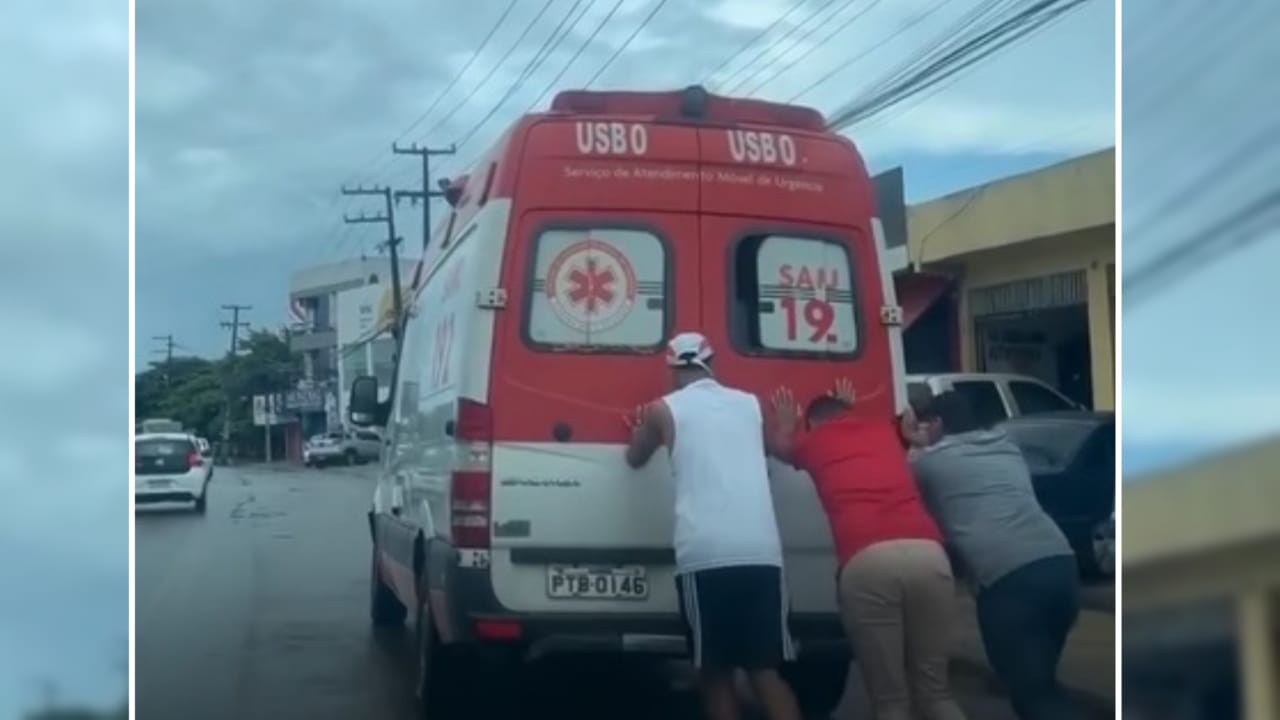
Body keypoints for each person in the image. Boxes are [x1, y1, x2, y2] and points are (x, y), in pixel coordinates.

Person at [624, 331, 801, 720]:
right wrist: (785, 426)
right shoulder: (750, 404)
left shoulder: (661, 409)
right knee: (764, 671)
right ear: (712, 362)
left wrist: (638, 427)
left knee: (716, 674)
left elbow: (634, 458)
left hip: (705, 556)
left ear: (671, 368)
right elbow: (778, 450)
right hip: (762, 554)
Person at [768, 379, 966, 720]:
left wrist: (786, 424)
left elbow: (780, 448)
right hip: (929, 555)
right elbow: (891, 428)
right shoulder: (885, 433)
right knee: (935, 692)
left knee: (891, 700)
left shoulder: (814, 442)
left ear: (813, 424)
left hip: (868, 562)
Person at [911, 390, 1080, 720]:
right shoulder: (1007, 449)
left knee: (1033, 697)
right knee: (1043, 685)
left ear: (937, 424)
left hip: (1010, 582)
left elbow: (911, 490)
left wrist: (915, 443)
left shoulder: (931, 463)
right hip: (1061, 565)